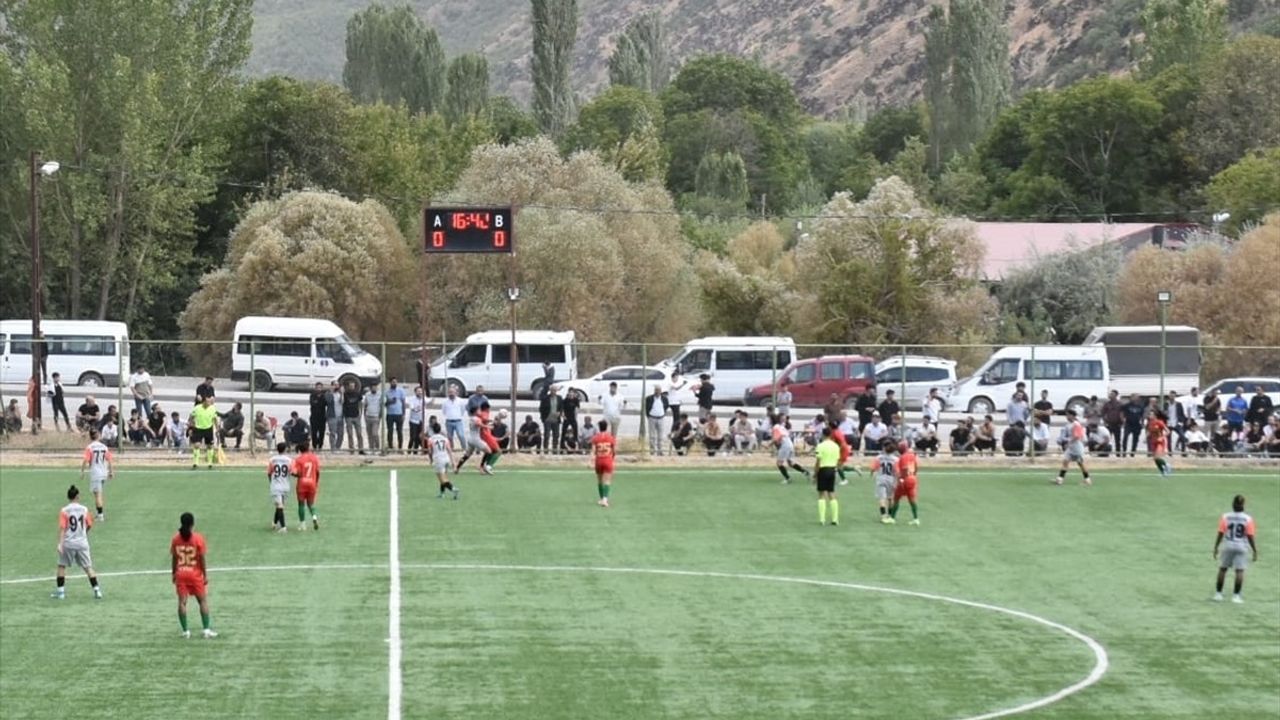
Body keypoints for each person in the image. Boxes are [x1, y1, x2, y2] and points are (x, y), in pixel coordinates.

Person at [170, 512, 216, 638]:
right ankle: (206, 630)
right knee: (202, 601)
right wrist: (205, 575)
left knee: (182, 602)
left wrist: (174, 573)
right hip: (195, 575)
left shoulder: (175, 539)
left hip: (181, 574)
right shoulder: (198, 538)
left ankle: (185, 631)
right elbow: (202, 558)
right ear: (192, 524)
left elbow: (174, 558)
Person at [52, 485, 102, 600]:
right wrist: (84, 533)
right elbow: (89, 524)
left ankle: (61, 593)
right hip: (82, 542)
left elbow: (63, 528)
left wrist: (60, 543)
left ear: (68, 497)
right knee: (88, 567)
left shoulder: (64, 510)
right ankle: (97, 590)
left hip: (68, 542)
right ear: (77, 496)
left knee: (61, 566)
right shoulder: (84, 509)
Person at [1213, 495, 1258, 604]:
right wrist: (1254, 550)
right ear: (1243, 505)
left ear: (1233, 504)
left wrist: (1216, 546)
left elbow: (1221, 532)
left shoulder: (1225, 517)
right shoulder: (1248, 519)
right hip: (1241, 546)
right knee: (1239, 571)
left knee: (1223, 569)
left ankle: (1218, 594)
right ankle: (1236, 596)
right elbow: (1250, 535)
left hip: (1228, 545)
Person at [77, 429, 114, 520]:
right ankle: (98, 513)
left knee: (98, 494)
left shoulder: (90, 447)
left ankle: (100, 515)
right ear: (98, 436)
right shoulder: (104, 447)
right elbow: (109, 459)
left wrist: (82, 471)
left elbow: (85, 460)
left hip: (96, 473)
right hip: (103, 472)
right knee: (98, 493)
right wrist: (111, 471)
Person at [1053, 409, 1093, 487]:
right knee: (1065, 461)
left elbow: (1077, 436)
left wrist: (1069, 443)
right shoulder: (1069, 424)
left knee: (1080, 463)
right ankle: (1060, 479)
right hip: (1071, 447)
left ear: (1072, 416)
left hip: (1077, 447)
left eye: (1068, 415)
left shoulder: (1076, 424)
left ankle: (1087, 480)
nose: (1067, 417)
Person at [290, 440, 321, 531]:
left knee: (301, 504)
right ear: (308, 448)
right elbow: (318, 472)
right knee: (311, 504)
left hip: (302, 483)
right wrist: (316, 482)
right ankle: (314, 517)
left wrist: (296, 474)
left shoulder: (298, 460)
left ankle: (302, 524)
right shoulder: (314, 458)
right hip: (312, 483)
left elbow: (295, 473)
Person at [813, 427, 841, 526]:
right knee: (831, 493)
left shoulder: (820, 446)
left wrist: (815, 474)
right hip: (832, 469)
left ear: (823, 434)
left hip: (823, 469)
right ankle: (835, 519)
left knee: (821, 494)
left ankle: (822, 519)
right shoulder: (836, 446)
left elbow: (818, 461)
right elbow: (838, 460)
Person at [890, 441, 920, 525]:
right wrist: (914, 475)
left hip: (906, 479)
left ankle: (892, 517)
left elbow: (905, 468)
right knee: (912, 499)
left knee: (896, 498)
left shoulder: (903, 457)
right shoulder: (912, 455)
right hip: (913, 478)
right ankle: (916, 518)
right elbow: (916, 467)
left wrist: (901, 478)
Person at [426, 421, 458, 500]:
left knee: (442, 478)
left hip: (438, 459)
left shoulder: (430, 439)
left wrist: (430, 460)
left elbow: (430, 451)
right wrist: (453, 462)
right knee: (444, 476)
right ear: (440, 430)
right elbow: (449, 450)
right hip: (446, 458)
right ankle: (442, 493)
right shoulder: (445, 439)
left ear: (433, 430)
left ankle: (453, 489)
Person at [591, 419, 617, 507]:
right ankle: (605, 499)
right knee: (607, 481)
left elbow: (593, 451)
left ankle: (602, 498)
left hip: (599, 460)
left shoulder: (595, 438)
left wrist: (590, 461)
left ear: (599, 427)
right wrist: (612, 458)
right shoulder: (610, 437)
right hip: (607, 460)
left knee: (599, 480)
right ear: (606, 427)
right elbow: (614, 450)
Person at [267, 442, 292, 533]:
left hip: (276, 486)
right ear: (285, 449)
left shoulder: (272, 460)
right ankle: (274, 522)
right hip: (285, 485)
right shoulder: (289, 460)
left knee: (279, 506)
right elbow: (292, 472)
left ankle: (283, 527)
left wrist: (271, 482)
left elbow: (269, 473)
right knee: (280, 506)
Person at [872, 442, 899, 524]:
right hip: (891, 479)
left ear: (884, 448)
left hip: (881, 479)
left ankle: (883, 516)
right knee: (890, 498)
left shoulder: (879, 458)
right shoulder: (896, 459)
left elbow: (874, 468)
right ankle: (890, 515)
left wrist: (872, 473)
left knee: (882, 498)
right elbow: (897, 471)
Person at [189, 396, 219, 469]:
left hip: (208, 428)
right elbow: (191, 417)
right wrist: (191, 426)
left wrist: (217, 429)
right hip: (198, 428)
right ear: (204, 402)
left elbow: (215, 419)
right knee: (197, 445)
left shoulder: (212, 408)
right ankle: (195, 463)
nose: (209, 403)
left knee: (210, 446)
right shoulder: (197, 408)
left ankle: (210, 463)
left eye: (210, 402)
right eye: (207, 401)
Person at [441, 385, 468, 450]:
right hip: (449, 421)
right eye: (450, 392)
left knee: (461, 435)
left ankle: (464, 448)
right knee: (450, 436)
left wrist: (458, 416)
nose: (451, 394)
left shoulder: (460, 401)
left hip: (458, 421)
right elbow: (444, 411)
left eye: (453, 392)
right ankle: (451, 448)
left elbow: (462, 410)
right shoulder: (445, 402)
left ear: (456, 393)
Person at [643, 385, 667, 455]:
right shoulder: (649, 398)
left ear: (661, 391)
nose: (657, 392)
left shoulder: (664, 399)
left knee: (660, 436)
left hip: (661, 418)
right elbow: (647, 408)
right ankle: (652, 450)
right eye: (656, 390)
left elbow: (666, 406)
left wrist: (663, 413)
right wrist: (649, 416)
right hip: (652, 418)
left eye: (659, 390)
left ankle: (660, 450)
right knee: (652, 436)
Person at [384, 377, 407, 451]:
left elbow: (403, 403)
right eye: (393, 382)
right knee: (390, 431)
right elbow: (384, 404)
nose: (394, 383)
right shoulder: (386, 392)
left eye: (395, 382)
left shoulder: (401, 391)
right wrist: (390, 401)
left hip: (399, 414)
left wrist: (404, 414)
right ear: (390, 383)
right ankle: (390, 446)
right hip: (390, 414)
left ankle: (400, 447)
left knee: (399, 431)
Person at [342, 380, 364, 454]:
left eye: (353, 386)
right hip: (348, 416)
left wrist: (360, 412)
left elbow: (360, 403)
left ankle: (361, 449)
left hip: (356, 416)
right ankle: (351, 449)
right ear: (348, 386)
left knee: (359, 433)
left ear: (355, 386)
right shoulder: (345, 394)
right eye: (350, 386)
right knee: (350, 434)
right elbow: (342, 403)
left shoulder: (358, 394)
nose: (352, 387)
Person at [540, 385, 564, 454]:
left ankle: (554, 449)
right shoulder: (545, 398)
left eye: (555, 390)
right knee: (547, 435)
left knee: (556, 435)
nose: (553, 392)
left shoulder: (559, 398)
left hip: (556, 419)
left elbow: (561, 407)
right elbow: (541, 408)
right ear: (550, 391)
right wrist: (543, 418)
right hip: (548, 419)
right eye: (552, 390)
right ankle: (545, 450)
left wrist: (560, 413)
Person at [1148, 409, 1172, 477]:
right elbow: (1150, 431)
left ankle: (1167, 465)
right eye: (1149, 414)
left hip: (1160, 442)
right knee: (1155, 459)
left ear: (1155, 415)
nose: (1149, 416)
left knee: (1157, 457)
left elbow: (1168, 431)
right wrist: (1146, 437)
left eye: (1151, 414)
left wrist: (1162, 437)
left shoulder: (1160, 422)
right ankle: (1163, 472)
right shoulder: (1150, 423)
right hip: (1153, 442)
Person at [363, 382, 384, 454]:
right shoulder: (367, 395)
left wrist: (380, 416)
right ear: (370, 388)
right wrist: (364, 415)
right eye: (373, 387)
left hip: (376, 417)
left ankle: (377, 447)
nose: (374, 388)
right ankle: (371, 448)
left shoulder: (380, 395)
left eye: (375, 387)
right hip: (368, 416)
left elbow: (381, 406)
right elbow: (365, 405)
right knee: (369, 434)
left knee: (375, 433)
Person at [308, 382, 328, 451]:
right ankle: (314, 445)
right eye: (317, 387)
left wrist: (318, 402)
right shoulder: (312, 395)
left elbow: (325, 404)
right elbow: (312, 403)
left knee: (322, 432)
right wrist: (318, 402)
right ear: (315, 388)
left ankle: (320, 445)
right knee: (314, 432)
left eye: (320, 387)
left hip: (322, 417)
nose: (319, 389)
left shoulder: (324, 395)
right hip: (314, 416)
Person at [407, 385, 426, 454]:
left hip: (420, 421)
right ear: (415, 392)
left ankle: (415, 451)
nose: (420, 393)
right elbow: (413, 408)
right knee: (412, 437)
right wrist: (418, 408)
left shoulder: (424, 399)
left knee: (419, 437)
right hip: (413, 421)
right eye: (418, 391)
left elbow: (431, 402)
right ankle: (409, 450)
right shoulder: (412, 399)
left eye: (421, 391)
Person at [326, 380, 344, 451]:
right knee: (333, 433)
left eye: (337, 385)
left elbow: (342, 402)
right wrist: (331, 392)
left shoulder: (340, 393)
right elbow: (328, 401)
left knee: (341, 434)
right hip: (332, 416)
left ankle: (337, 447)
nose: (336, 386)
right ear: (332, 386)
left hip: (340, 416)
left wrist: (342, 394)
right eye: (335, 385)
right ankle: (333, 448)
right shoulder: (328, 394)